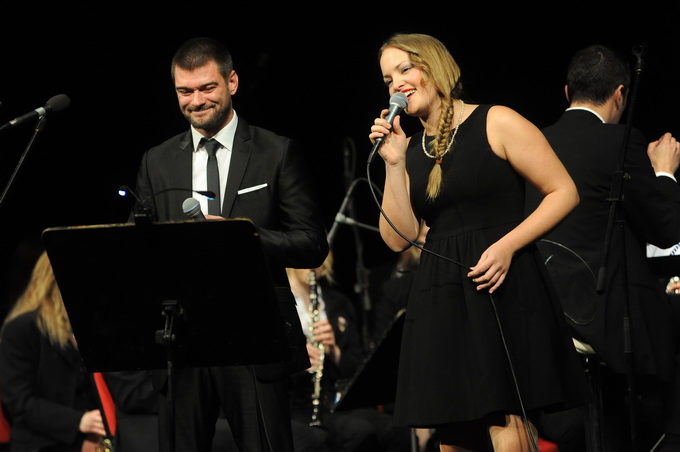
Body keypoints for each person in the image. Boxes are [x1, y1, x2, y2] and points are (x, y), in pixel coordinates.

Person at [368, 33, 591, 451]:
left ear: (434, 67)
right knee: (454, 431)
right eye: (387, 79)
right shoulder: (408, 149)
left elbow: (563, 191)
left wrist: (508, 245)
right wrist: (394, 165)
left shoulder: (496, 121)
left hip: (500, 284)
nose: (396, 83)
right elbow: (397, 238)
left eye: (404, 69)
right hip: (442, 293)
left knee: (508, 422)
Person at [129, 37, 328, 452]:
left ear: (232, 82)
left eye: (207, 88)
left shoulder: (277, 152)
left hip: (255, 333)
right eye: (185, 91)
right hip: (181, 338)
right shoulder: (156, 160)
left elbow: (311, 243)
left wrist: (244, 237)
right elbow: (137, 248)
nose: (196, 101)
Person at [525, 44, 680, 452]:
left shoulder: (534, 142)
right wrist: (663, 173)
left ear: (567, 92)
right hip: (608, 320)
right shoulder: (620, 142)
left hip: (547, 319)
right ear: (620, 94)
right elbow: (666, 230)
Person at [286, 253, 412, 452]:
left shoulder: (339, 303)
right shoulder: (277, 303)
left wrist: (334, 351)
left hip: (331, 401)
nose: (312, 264)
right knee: (356, 432)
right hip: (294, 403)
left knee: (397, 430)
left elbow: (357, 366)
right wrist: (297, 358)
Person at [0, 250, 109, 451]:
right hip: (43, 443)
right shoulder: (21, 328)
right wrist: (78, 421)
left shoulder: (93, 326)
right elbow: (20, 401)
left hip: (91, 439)